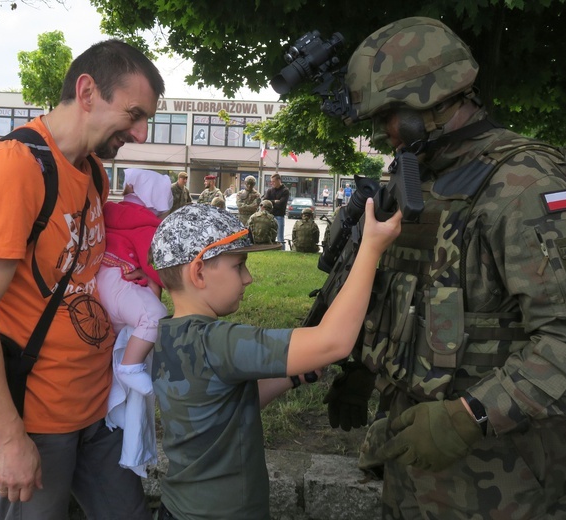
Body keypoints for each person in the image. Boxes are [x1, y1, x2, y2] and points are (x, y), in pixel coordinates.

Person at [323, 17, 566, 519]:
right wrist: (360, 373)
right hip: (413, 479)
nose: (382, 134)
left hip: (507, 487)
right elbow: (405, 299)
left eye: (388, 118)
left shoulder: (527, 185)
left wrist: (472, 415)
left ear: (432, 105)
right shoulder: (418, 181)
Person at [0, 39, 164, 519]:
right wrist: (8, 438)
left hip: (100, 406)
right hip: (38, 420)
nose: (142, 133)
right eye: (134, 114)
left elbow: (82, 272)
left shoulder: (92, 172)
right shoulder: (12, 169)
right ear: (87, 91)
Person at [147, 202, 402, 519]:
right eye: (239, 265)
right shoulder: (219, 342)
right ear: (198, 272)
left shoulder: (165, 333)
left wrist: (293, 376)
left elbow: (222, 407)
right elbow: (333, 341)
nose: (248, 278)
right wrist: (371, 249)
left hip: (178, 507)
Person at [98, 168, 172, 479]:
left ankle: (116, 400)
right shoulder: (146, 225)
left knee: (121, 340)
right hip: (123, 285)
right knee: (155, 317)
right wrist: (163, 283)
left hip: (101, 286)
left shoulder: (109, 214)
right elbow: (155, 266)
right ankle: (129, 368)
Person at [263, 173, 290, 249]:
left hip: (279, 216)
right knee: (269, 235)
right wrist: (274, 201)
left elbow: (281, 204)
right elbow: (264, 202)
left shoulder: (285, 191)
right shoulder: (270, 190)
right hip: (269, 216)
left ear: (279, 181)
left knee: (280, 237)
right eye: (271, 181)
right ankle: (270, 249)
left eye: (273, 181)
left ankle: (282, 251)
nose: (272, 183)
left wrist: (270, 203)